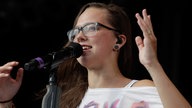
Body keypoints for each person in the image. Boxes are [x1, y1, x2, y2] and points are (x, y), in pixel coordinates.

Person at [0, 2, 191, 108]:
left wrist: (152, 65)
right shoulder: (66, 99)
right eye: (75, 32)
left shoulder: (139, 89)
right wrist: (4, 100)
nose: (79, 36)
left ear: (119, 40)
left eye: (91, 28)